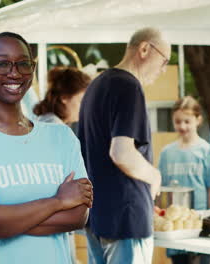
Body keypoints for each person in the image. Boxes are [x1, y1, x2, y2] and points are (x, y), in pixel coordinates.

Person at [0, 31, 93, 263]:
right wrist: (57, 202)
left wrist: (0, 214)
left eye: (23, 63)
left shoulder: (62, 137)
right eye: (1, 64)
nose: (14, 72)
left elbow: (78, 216)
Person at [78, 27, 169, 264]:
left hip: (96, 216)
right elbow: (122, 153)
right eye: (164, 60)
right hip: (125, 218)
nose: (164, 69)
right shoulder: (129, 86)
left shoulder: (96, 86)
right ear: (145, 48)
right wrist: (154, 175)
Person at [32, 66, 91, 263]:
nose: (85, 107)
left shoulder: (47, 123)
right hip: (52, 220)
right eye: (82, 100)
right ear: (65, 97)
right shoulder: (54, 129)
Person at [158, 96, 210, 263]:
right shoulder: (167, 153)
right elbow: (162, 188)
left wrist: (209, 220)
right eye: (178, 121)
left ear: (198, 120)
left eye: (187, 121)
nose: (182, 126)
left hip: (198, 223)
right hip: (175, 225)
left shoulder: (206, 151)